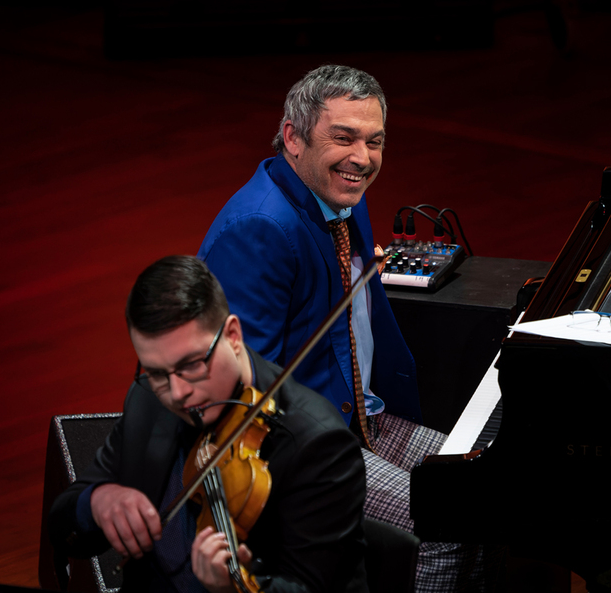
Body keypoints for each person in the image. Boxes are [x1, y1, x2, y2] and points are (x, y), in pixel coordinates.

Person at [198, 65, 491, 591]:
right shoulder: (260, 230)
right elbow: (241, 392)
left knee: (485, 494)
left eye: (374, 141)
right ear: (292, 137)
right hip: (299, 448)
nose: (362, 157)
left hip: (362, 418)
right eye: (344, 137)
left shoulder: (337, 197)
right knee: (445, 527)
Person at [49, 255, 368, 593]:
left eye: (191, 364)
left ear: (232, 335)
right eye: (157, 373)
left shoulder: (318, 444)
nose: (177, 393)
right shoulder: (148, 401)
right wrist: (97, 501)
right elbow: (62, 530)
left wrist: (234, 589)